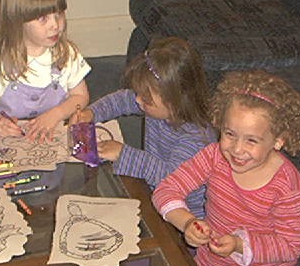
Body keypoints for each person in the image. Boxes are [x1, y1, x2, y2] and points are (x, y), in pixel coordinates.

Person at [152, 70, 300, 266]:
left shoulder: (288, 187)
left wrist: (240, 245)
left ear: (278, 140)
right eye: (229, 134)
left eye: (251, 140)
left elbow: (291, 244)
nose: (237, 149)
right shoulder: (214, 156)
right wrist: (188, 222)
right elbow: (166, 190)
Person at [74, 37, 215, 218]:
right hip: (152, 192)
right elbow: (123, 99)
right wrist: (91, 113)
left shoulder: (196, 139)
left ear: (175, 100)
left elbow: (171, 179)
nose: (138, 101)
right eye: (139, 94)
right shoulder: (160, 107)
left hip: (182, 215)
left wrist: (123, 154)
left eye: (146, 99)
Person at [0, 0, 90, 143]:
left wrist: (56, 114)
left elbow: (81, 96)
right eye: (43, 19)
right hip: (9, 139)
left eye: (59, 15)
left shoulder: (66, 54)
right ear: (18, 22)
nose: (55, 25)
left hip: (53, 137)